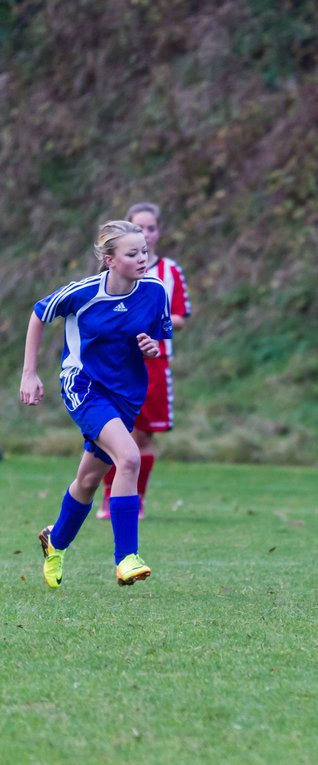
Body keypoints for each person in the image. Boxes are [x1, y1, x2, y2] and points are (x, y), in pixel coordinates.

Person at [19, 221, 172, 588]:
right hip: (83, 386)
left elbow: (155, 339)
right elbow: (39, 313)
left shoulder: (155, 292)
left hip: (126, 393)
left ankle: (54, 541)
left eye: (144, 252)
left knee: (88, 480)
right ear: (109, 260)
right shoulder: (83, 292)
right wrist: (29, 373)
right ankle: (126, 559)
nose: (141, 259)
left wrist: (152, 347)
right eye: (132, 253)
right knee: (129, 457)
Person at [97, 202, 191, 520]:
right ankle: (111, 497)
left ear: (159, 231)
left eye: (151, 228)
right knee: (119, 432)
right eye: (139, 228)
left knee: (143, 435)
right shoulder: (112, 274)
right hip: (118, 364)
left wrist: (152, 322)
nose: (146, 235)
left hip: (155, 363)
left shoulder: (169, 272)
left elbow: (179, 317)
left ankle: (137, 498)